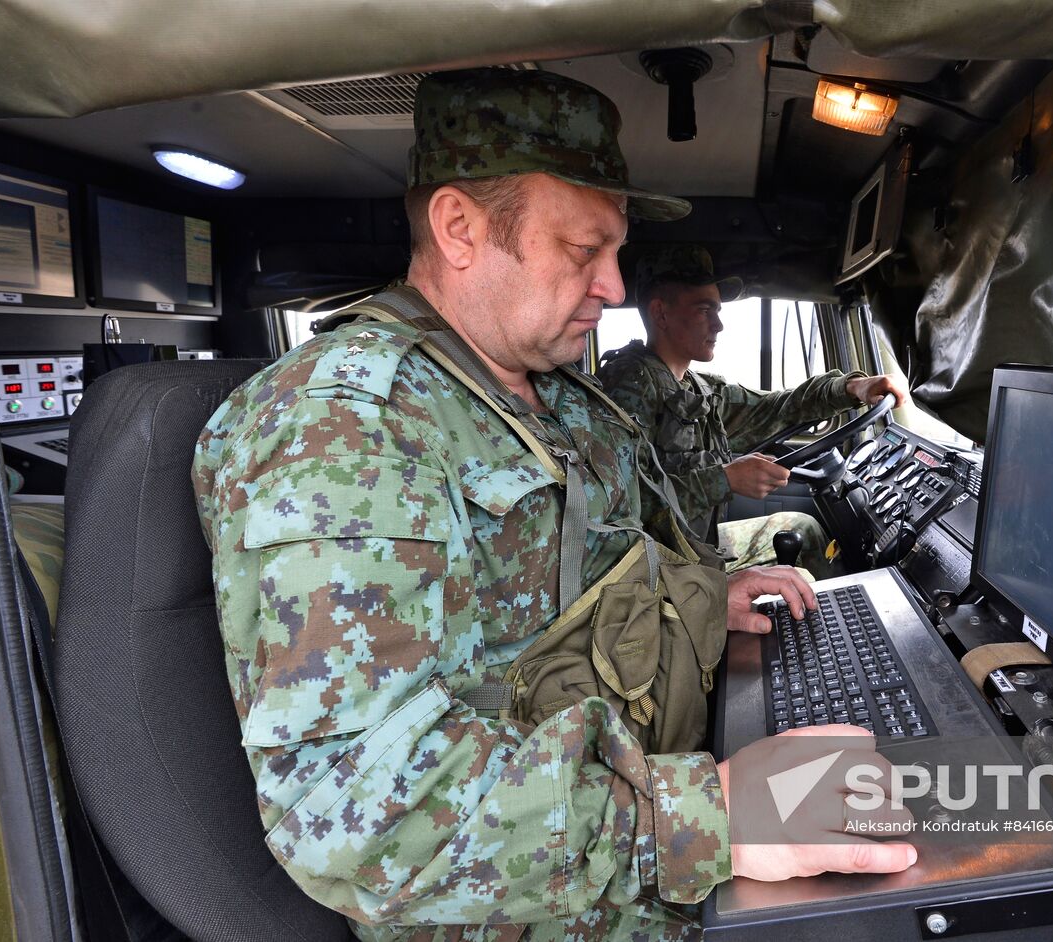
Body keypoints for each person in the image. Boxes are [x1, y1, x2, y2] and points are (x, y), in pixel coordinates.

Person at [192, 68, 914, 942]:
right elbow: (359, 816)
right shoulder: (345, 425)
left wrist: (700, 596)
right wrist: (711, 814)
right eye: (584, 250)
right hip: (537, 901)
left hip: (627, 807)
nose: (614, 287)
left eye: (615, 253)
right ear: (460, 229)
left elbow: (581, 573)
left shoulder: (552, 393)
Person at [597, 246, 908, 575]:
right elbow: (623, 507)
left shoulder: (695, 388)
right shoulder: (629, 386)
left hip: (696, 547)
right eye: (705, 310)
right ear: (660, 314)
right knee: (800, 562)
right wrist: (724, 480)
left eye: (717, 310)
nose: (718, 325)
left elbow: (777, 408)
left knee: (803, 529)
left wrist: (850, 388)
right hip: (661, 568)